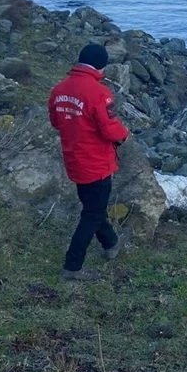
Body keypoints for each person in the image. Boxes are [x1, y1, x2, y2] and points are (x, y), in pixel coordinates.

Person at [48, 43, 130, 280]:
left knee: (94, 207)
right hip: (97, 162)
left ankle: (111, 244)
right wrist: (124, 135)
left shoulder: (59, 89)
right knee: (92, 214)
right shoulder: (99, 93)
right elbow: (110, 129)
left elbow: (56, 122)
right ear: (100, 66)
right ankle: (72, 266)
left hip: (74, 159)